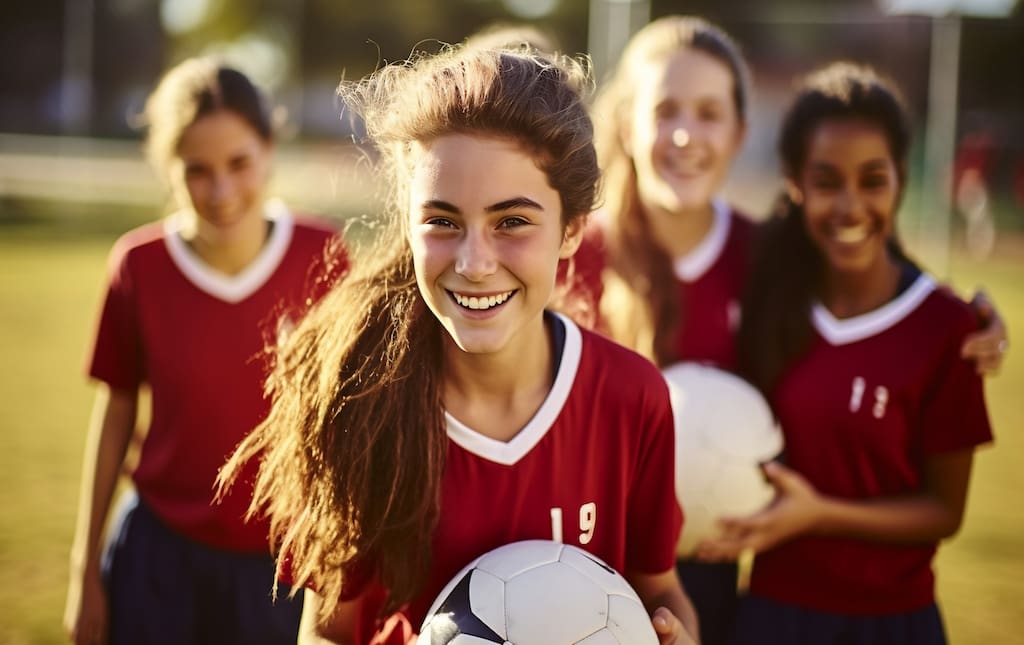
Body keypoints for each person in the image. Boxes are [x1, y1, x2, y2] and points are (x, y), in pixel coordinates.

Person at [218, 45, 699, 645]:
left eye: (512, 222)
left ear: (572, 229)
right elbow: (327, 633)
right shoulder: (363, 400)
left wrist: (678, 635)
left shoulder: (633, 398)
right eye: (442, 221)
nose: (474, 263)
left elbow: (661, 590)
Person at [560, 15, 1009, 645]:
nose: (686, 134)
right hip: (573, 565)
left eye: (709, 113)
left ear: (741, 132)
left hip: (710, 574)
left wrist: (972, 313)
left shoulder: (766, 257)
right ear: (627, 123)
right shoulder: (564, 258)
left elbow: (882, 288)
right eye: (665, 110)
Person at [698, 62, 993, 645]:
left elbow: (944, 511)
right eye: (827, 181)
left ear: (902, 181)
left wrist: (820, 514)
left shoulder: (945, 327)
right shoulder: (768, 301)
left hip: (894, 624)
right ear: (796, 185)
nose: (850, 206)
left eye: (872, 180)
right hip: (771, 617)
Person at [63, 57, 343, 645]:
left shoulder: (323, 257)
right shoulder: (138, 265)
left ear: (269, 149)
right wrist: (83, 568)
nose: (220, 191)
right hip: (157, 554)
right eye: (197, 170)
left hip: (282, 562)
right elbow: (116, 413)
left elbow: (353, 420)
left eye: (239, 163)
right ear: (169, 170)